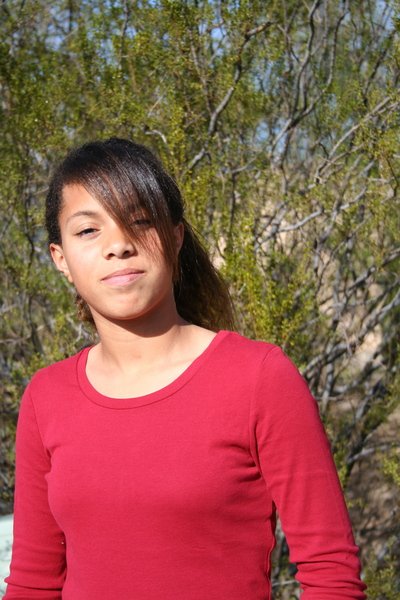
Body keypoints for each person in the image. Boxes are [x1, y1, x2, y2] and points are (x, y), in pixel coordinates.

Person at [4, 138, 367, 599]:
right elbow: (33, 582)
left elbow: (331, 575)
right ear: (61, 259)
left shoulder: (258, 378)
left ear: (175, 237)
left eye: (139, 221)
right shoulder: (47, 396)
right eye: (89, 230)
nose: (118, 245)